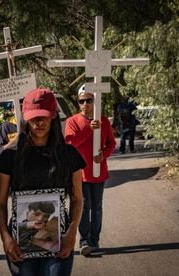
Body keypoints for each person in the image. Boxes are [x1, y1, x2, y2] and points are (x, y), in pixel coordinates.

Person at [0, 88, 85, 276]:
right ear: (25, 118)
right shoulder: (9, 156)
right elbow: (0, 203)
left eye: (44, 116)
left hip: (59, 237)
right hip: (20, 238)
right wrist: (6, 237)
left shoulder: (69, 155)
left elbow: (77, 199)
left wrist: (71, 233)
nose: (39, 122)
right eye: (34, 117)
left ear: (53, 117)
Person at [65, 84, 116, 257]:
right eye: (81, 100)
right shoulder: (72, 121)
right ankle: (84, 241)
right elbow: (70, 144)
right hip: (80, 174)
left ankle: (95, 240)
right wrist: (89, 129)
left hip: (98, 172)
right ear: (78, 103)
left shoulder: (104, 120)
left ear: (95, 101)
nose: (85, 103)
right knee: (83, 207)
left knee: (97, 207)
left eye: (89, 100)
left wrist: (104, 155)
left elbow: (111, 143)